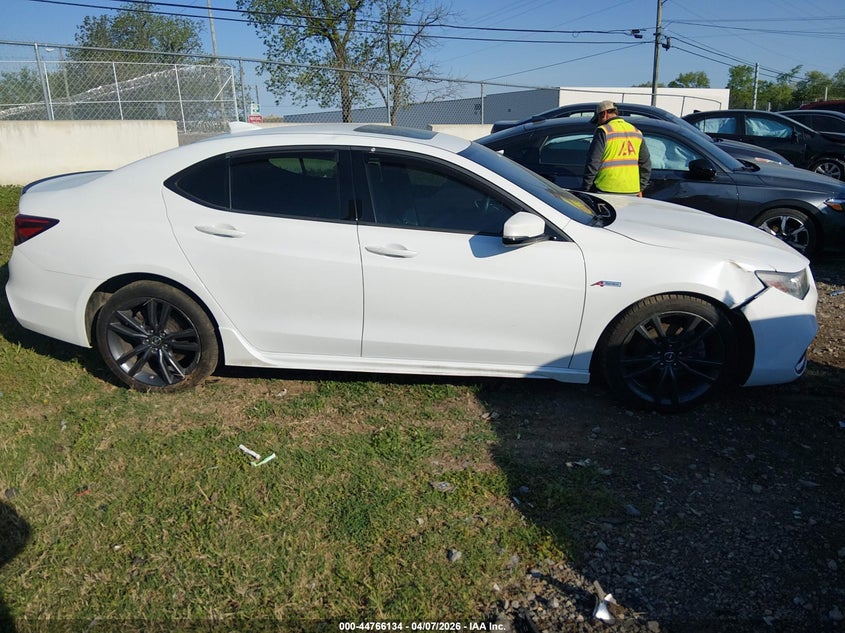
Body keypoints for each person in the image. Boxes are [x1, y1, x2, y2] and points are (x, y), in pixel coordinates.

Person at [582, 100, 651, 196]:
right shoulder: (636, 132)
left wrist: (586, 188)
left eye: (598, 119)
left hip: (606, 189)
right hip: (632, 190)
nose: (598, 123)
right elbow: (645, 163)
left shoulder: (603, 131)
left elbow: (593, 162)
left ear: (604, 114)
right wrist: (641, 187)